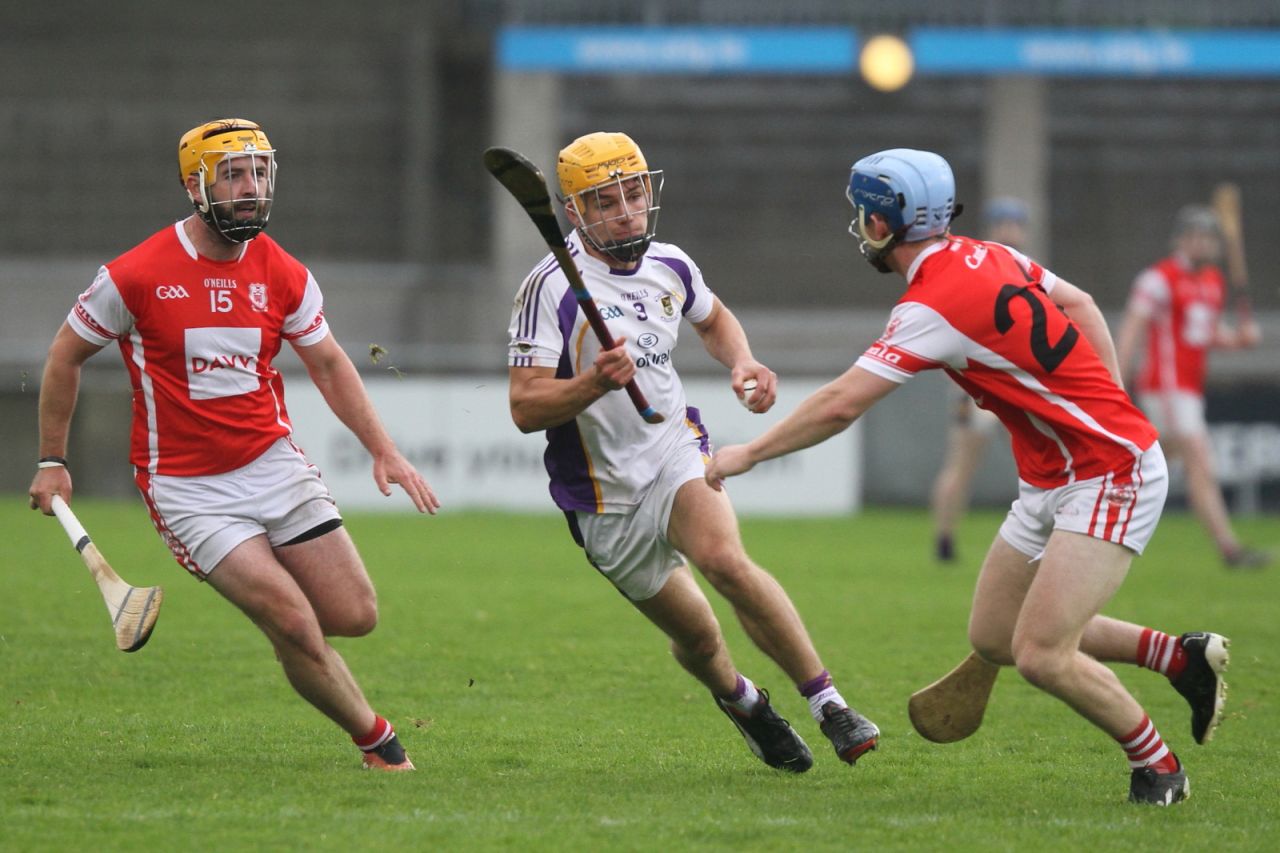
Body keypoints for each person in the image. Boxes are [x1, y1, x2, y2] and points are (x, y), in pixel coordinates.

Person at [705, 149, 1230, 804]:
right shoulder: (989, 254)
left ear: (881, 223)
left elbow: (841, 404)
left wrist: (746, 453)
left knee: (1040, 653)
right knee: (994, 635)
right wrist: (1108, 400)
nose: (859, 224)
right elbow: (1084, 304)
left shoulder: (931, 305)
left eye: (862, 213)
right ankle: (1180, 659)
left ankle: (1158, 765)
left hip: (1109, 471)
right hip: (1050, 478)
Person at [28, 118, 440, 771]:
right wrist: (53, 458)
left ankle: (288, 631)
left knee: (355, 613)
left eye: (260, 172)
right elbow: (64, 354)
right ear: (197, 186)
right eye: (235, 174)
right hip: (190, 490)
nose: (251, 187)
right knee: (296, 622)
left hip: (274, 465)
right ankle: (379, 743)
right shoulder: (134, 275)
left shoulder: (283, 271)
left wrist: (383, 448)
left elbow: (330, 363)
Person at [506, 131, 879, 773]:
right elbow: (524, 406)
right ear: (574, 212)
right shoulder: (550, 289)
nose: (625, 209)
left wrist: (743, 361)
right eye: (604, 201)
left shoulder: (670, 264)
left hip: (673, 449)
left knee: (725, 563)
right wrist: (594, 381)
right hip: (601, 495)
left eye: (634, 191)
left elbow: (713, 318)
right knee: (700, 640)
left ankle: (830, 704)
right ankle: (744, 704)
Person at [1114, 205, 1267, 569]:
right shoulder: (1158, 279)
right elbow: (1132, 330)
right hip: (1165, 389)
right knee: (1199, 460)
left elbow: (1203, 335)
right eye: (1195, 236)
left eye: (1209, 237)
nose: (1202, 244)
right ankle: (1229, 549)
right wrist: (1117, 380)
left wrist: (1238, 339)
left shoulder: (1213, 281)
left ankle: (1099, 515)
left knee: (1141, 468)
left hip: (1189, 390)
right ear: (1180, 240)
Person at [929, 198, 1029, 562]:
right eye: (1003, 223)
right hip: (979, 387)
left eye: (1014, 224)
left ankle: (1038, 537)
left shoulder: (1026, 270)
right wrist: (960, 389)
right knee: (961, 465)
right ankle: (944, 539)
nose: (1009, 231)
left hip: (1018, 386)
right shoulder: (979, 265)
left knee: (1035, 464)